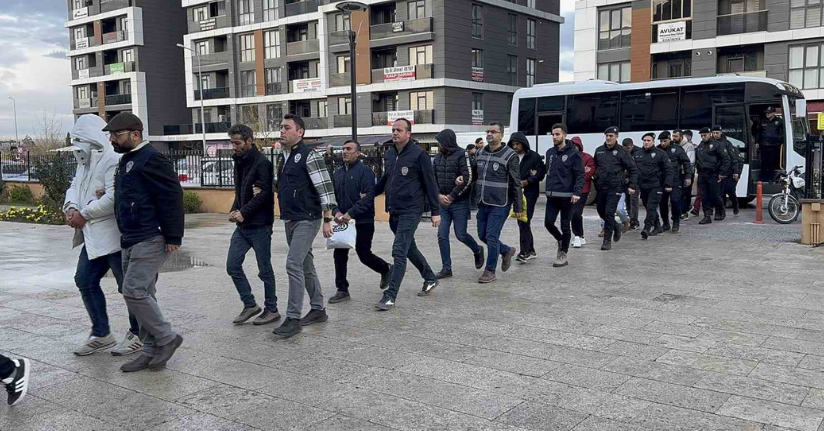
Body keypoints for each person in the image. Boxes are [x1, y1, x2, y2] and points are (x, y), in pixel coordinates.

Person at [107, 112, 184, 372]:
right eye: (111, 135)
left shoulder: (152, 158)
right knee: (143, 293)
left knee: (133, 290)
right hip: (130, 236)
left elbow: (172, 196)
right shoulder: (127, 160)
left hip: (150, 235)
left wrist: (174, 235)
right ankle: (149, 350)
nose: (112, 139)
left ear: (135, 134)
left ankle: (167, 338)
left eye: (116, 135)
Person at [63, 114, 142, 357]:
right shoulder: (83, 164)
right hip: (93, 238)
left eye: (80, 139)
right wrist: (71, 208)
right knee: (84, 280)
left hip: (115, 238)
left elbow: (112, 198)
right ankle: (101, 333)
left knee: (128, 288)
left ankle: (139, 334)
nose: (77, 145)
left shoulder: (113, 160)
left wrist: (84, 214)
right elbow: (74, 187)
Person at [272, 114, 335, 335]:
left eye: (287, 127)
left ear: (300, 132)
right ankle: (318, 309)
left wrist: (328, 220)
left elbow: (325, 190)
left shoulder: (310, 155)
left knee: (293, 264)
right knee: (305, 265)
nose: (282, 131)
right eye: (281, 127)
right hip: (291, 218)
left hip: (307, 219)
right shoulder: (284, 156)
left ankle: (293, 318)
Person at [372, 118, 441, 310]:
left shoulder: (419, 155)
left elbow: (430, 183)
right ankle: (430, 277)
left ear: (408, 134)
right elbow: (386, 178)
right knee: (410, 249)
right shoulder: (390, 154)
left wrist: (436, 211)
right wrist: (371, 193)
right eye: (393, 130)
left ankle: (390, 295)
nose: (395, 133)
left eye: (399, 130)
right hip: (394, 210)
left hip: (412, 210)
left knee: (399, 251)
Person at [225, 124, 279, 326]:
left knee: (264, 269)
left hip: (260, 226)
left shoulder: (262, 163)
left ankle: (271, 309)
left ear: (249, 141)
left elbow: (265, 194)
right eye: (232, 143)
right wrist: (234, 209)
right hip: (243, 227)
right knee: (232, 265)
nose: (234, 147)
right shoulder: (238, 161)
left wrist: (243, 212)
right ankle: (250, 305)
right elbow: (241, 192)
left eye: (237, 143)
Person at [329, 140, 392, 303]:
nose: (344, 151)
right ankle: (342, 289)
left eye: (349, 149)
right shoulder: (337, 173)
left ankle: (385, 269)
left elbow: (368, 198)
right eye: (343, 149)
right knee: (339, 254)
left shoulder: (366, 172)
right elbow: (333, 198)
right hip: (343, 222)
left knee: (364, 254)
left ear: (358, 153)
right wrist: (336, 212)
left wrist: (351, 213)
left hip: (363, 221)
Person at [475, 122, 523, 283]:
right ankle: (507, 250)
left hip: (500, 203)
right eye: (488, 131)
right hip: (483, 202)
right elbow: (475, 176)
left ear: (501, 135)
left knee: (491, 236)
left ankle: (490, 271)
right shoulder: (480, 152)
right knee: (482, 235)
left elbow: (516, 182)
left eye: (493, 132)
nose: (489, 134)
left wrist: (518, 206)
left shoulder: (510, 155)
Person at [433, 129, 484, 279]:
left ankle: (477, 250)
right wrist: (439, 196)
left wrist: (452, 196)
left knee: (460, 234)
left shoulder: (463, 155)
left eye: (440, 142)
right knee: (442, 235)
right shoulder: (437, 158)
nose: (439, 145)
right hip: (443, 204)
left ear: (447, 142)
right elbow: (432, 178)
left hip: (459, 203)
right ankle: (446, 268)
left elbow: (468, 178)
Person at [543, 124, 584, 267]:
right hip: (552, 196)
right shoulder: (550, 153)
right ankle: (561, 240)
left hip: (567, 197)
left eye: (557, 134)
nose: (554, 137)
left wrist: (577, 192)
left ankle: (563, 254)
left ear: (564, 135)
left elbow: (580, 174)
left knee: (565, 226)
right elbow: (546, 170)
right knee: (548, 223)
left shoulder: (574, 153)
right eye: (553, 134)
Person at [593, 127, 637, 250]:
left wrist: (632, 185)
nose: (608, 138)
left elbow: (633, 169)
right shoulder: (599, 150)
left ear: (616, 136)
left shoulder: (622, 151)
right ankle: (616, 226)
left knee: (609, 212)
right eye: (606, 135)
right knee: (601, 211)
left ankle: (607, 240)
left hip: (615, 187)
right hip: (601, 186)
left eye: (611, 136)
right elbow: (595, 166)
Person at [508, 132, 545, 263]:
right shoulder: (510, 156)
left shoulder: (533, 157)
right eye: (513, 144)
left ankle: (525, 251)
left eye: (517, 144)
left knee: (524, 220)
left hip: (529, 193)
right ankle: (531, 249)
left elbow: (540, 173)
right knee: (522, 221)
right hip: (515, 193)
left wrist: (527, 181)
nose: (515, 146)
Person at [635, 132, 674, 239]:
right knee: (648, 207)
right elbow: (633, 170)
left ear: (653, 142)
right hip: (643, 185)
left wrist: (668, 183)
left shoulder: (660, 153)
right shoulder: (638, 153)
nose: (646, 142)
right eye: (644, 141)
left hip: (656, 185)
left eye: (648, 141)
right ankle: (657, 226)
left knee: (651, 206)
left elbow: (669, 169)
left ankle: (647, 228)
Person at [658, 131, 692, 233]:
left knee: (675, 201)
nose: (663, 143)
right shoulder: (658, 150)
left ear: (669, 140)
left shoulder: (677, 149)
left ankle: (676, 222)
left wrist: (688, 177)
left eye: (665, 141)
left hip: (675, 179)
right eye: (661, 141)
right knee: (662, 202)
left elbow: (686, 163)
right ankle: (665, 223)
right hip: (662, 180)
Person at [695, 127, 731, 224]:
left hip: (714, 173)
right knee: (704, 195)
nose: (703, 137)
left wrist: (722, 173)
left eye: (705, 135)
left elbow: (726, 160)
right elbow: (698, 159)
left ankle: (720, 209)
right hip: (703, 174)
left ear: (710, 134)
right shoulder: (700, 145)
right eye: (701, 136)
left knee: (715, 194)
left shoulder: (717, 145)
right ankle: (707, 215)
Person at [712, 126, 742, 216]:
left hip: (729, 171)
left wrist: (736, 172)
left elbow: (734, 159)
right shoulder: (711, 143)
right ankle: (722, 210)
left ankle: (735, 204)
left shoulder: (727, 143)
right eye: (713, 133)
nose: (715, 135)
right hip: (718, 171)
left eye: (717, 133)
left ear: (721, 132)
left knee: (730, 190)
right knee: (721, 192)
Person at [571, 137, 594, 248]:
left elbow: (589, 173)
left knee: (576, 213)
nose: (574, 147)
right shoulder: (567, 156)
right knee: (574, 214)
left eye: (576, 145)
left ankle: (576, 236)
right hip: (569, 190)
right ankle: (580, 236)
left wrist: (576, 174)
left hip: (582, 190)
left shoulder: (587, 157)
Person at [753, 106, 785, 182]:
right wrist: (757, 142)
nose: (767, 114)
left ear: (774, 113)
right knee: (764, 162)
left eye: (769, 112)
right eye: (767, 112)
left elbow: (782, 133)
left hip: (774, 145)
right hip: (764, 144)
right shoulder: (763, 121)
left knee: (772, 162)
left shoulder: (779, 121)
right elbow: (759, 132)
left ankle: (770, 178)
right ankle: (763, 178)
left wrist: (780, 141)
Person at [673, 130, 695, 221]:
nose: (673, 138)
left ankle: (684, 212)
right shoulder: (673, 146)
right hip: (677, 173)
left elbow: (691, 162)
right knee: (678, 194)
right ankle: (680, 211)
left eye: (676, 136)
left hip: (686, 173)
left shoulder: (689, 146)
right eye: (673, 136)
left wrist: (687, 175)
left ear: (681, 136)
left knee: (686, 193)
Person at [621, 137, 641, 230]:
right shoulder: (622, 152)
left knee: (634, 201)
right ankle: (629, 219)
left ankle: (634, 221)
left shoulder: (638, 152)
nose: (626, 150)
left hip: (634, 180)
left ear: (632, 146)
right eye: (625, 148)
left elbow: (637, 169)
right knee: (627, 201)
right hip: (625, 179)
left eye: (628, 148)